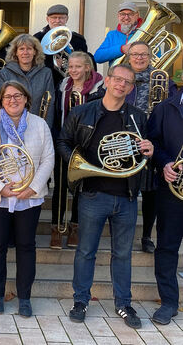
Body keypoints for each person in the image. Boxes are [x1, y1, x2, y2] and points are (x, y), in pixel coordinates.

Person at [57, 64, 154, 329]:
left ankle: (123, 304)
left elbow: (143, 149)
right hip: (93, 193)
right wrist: (78, 164)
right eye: (118, 79)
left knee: (122, 254)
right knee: (86, 251)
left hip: (126, 196)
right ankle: (81, 300)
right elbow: (63, 142)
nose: (122, 85)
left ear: (132, 88)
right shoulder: (82, 111)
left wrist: (148, 148)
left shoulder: (138, 117)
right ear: (107, 80)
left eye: (128, 82)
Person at [0, 81, 55, 317]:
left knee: (26, 247)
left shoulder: (39, 124)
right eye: (8, 96)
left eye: (18, 96)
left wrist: (33, 187)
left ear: (27, 99)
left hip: (29, 197)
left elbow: (48, 159)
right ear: (1, 100)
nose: (13, 100)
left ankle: (25, 298)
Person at [125, 41, 177, 254]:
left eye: (143, 55)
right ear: (129, 57)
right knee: (126, 188)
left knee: (151, 192)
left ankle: (146, 235)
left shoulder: (163, 79)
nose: (139, 58)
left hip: (155, 139)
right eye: (135, 55)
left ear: (150, 56)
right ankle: (124, 233)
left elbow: (174, 107)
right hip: (127, 138)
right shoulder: (121, 77)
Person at [50, 51, 104, 249]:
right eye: (70, 66)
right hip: (66, 142)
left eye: (78, 66)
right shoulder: (64, 86)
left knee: (81, 189)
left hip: (87, 144)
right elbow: (57, 114)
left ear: (87, 67)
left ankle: (75, 227)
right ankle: (56, 228)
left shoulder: (99, 88)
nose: (73, 70)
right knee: (61, 187)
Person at [148, 85, 183, 325]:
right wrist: (166, 163)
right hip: (172, 189)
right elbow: (152, 144)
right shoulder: (164, 108)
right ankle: (169, 302)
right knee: (167, 247)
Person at [0, 33, 55, 128]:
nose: (25, 52)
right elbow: (1, 103)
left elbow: (50, 105)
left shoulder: (46, 73)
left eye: (29, 49)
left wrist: (46, 128)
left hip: (38, 127)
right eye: (21, 49)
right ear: (16, 52)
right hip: (12, 127)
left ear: (35, 51)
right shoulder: (4, 74)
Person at [33, 4, 91, 88]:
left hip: (73, 83)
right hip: (46, 82)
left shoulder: (77, 39)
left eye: (61, 18)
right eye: (54, 17)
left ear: (67, 19)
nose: (57, 20)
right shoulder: (37, 39)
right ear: (47, 19)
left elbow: (84, 61)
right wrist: (52, 64)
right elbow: (33, 62)